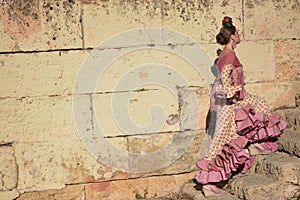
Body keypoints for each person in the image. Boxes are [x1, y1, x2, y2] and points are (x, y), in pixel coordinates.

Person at [195, 16, 287, 197]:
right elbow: (227, 87)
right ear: (232, 36)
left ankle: (254, 144)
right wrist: (238, 92)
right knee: (223, 142)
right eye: (237, 32)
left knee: (259, 106)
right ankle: (209, 182)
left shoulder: (225, 54)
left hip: (230, 103)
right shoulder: (229, 56)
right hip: (229, 104)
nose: (239, 35)